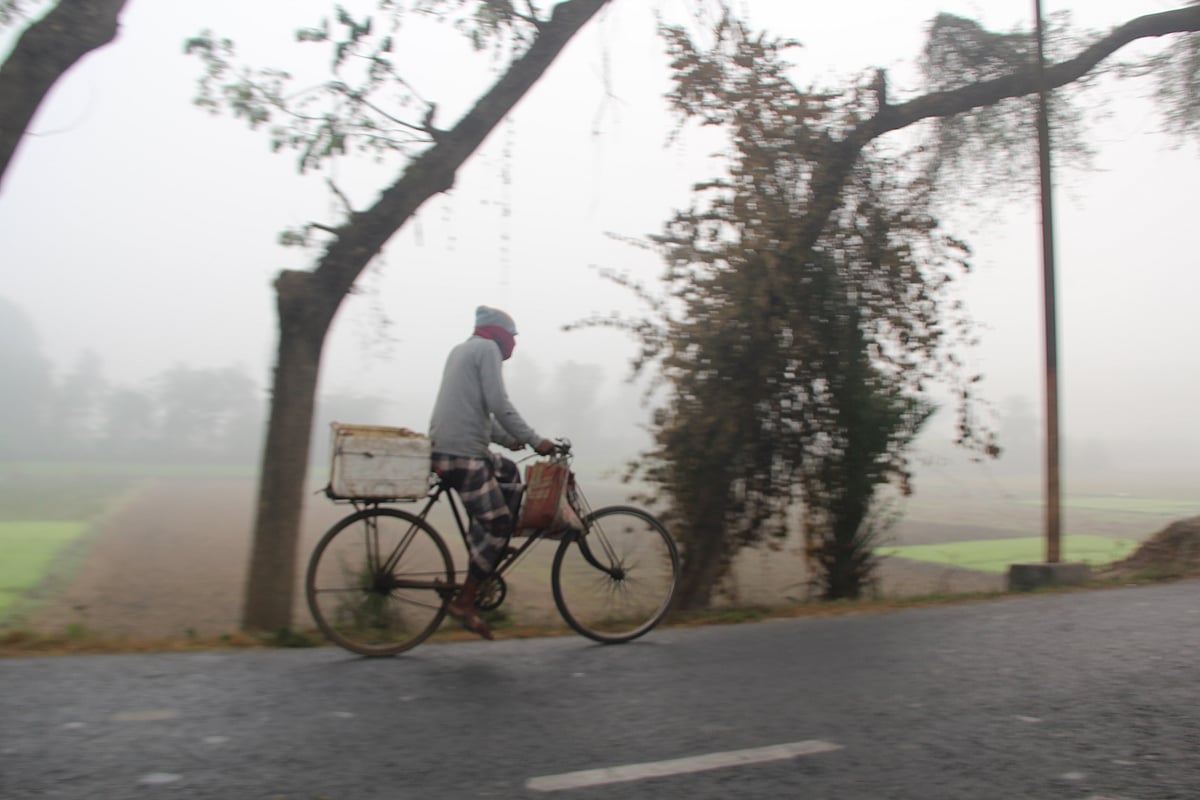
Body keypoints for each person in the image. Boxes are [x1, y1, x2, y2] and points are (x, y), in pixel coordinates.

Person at [429, 305, 556, 640]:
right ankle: (466, 600)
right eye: (512, 337)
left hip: (454, 447)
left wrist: (509, 440)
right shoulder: (487, 350)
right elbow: (498, 403)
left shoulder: (462, 350)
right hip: (462, 456)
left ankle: (490, 549)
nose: (513, 344)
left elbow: (476, 412)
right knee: (498, 520)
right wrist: (534, 439)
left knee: (509, 472)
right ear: (499, 335)